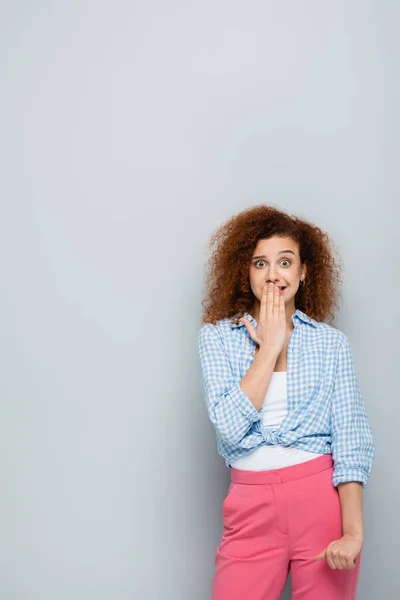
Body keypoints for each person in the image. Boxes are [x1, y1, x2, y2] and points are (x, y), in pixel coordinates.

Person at [197, 205, 375, 600]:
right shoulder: (218, 338)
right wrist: (271, 347)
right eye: (261, 263)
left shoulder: (330, 344)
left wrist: (353, 532)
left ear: (303, 272)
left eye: (285, 262)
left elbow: (350, 438)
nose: (274, 274)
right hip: (250, 505)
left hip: (321, 505)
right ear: (247, 270)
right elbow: (226, 425)